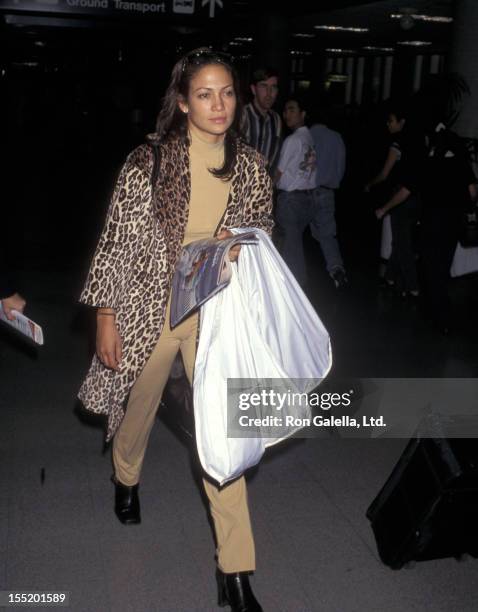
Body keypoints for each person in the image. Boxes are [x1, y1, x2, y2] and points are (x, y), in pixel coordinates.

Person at [78, 47, 273, 611]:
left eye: (228, 92)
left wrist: (240, 248)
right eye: (205, 94)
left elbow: (260, 232)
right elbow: (116, 243)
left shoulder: (251, 166)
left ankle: (235, 571)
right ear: (183, 102)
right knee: (139, 404)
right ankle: (126, 473)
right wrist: (106, 314)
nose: (219, 105)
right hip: (150, 306)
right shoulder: (151, 162)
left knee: (222, 430)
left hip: (214, 313)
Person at [371, 105, 424, 297]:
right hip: (417, 198)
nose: (388, 124)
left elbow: (385, 174)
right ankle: (390, 277)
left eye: (391, 120)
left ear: (401, 122)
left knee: (403, 245)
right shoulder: (419, 142)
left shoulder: (398, 143)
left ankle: (412, 287)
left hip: (403, 197)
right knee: (400, 240)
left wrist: (370, 184)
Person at [274, 95, 319, 287]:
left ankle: (295, 290)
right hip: (308, 200)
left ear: (303, 114)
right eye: (285, 110)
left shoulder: (292, 140)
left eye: (292, 109)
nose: (286, 114)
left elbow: (279, 172)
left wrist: (264, 190)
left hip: (292, 201)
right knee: (293, 246)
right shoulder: (309, 138)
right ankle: (292, 287)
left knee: (292, 250)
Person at [309, 109, 347, 288]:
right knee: (327, 234)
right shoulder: (337, 137)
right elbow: (341, 166)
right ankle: (336, 268)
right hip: (327, 191)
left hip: (307, 191)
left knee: (295, 232)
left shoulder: (306, 136)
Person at [242, 66, 282, 176]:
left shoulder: (276, 119)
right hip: (241, 185)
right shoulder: (242, 115)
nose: (269, 93)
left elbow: (275, 155)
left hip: (264, 186)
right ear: (253, 89)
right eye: (264, 86)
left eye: (273, 87)